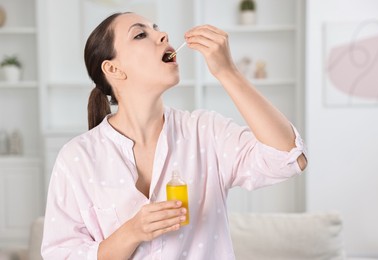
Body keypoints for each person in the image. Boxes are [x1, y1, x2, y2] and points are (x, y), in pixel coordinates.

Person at [41, 11, 307, 260]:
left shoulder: (205, 132)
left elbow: (288, 157)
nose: (162, 35)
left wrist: (227, 72)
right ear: (113, 70)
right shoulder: (77, 157)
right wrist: (132, 232)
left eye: (156, 29)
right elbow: (62, 254)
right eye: (140, 34)